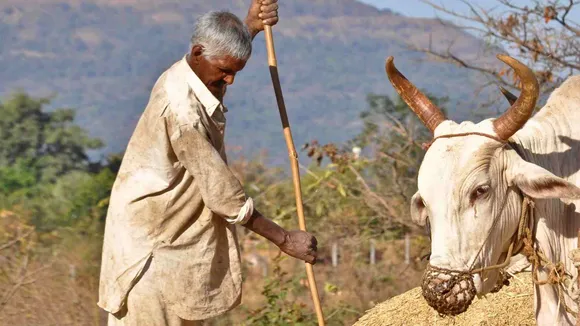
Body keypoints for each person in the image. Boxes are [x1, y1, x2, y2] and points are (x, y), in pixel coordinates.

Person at [97, 1, 319, 325]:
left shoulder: (198, 77)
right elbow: (222, 193)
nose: (230, 81)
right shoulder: (181, 110)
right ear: (198, 52)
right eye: (225, 71)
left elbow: (220, 70)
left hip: (176, 244)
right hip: (150, 254)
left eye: (236, 71)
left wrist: (251, 27)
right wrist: (285, 239)